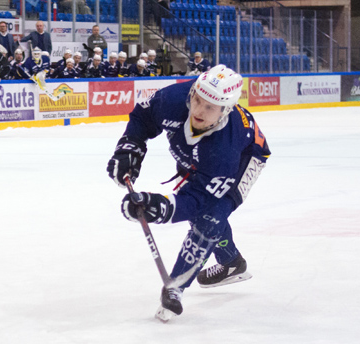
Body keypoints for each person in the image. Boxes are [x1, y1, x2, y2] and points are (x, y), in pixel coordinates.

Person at [107, 65, 270, 320]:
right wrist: (131, 147)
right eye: (196, 99)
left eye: (209, 107)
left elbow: (203, 200)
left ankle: (177, 286)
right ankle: (231, 262)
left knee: (211, 216)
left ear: (225, 110)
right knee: (203, 209)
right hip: (196, 154)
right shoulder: (173, 99)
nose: (197, 110)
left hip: (246, 157)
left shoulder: (225, 150)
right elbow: (143, 117)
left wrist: (161, 208)